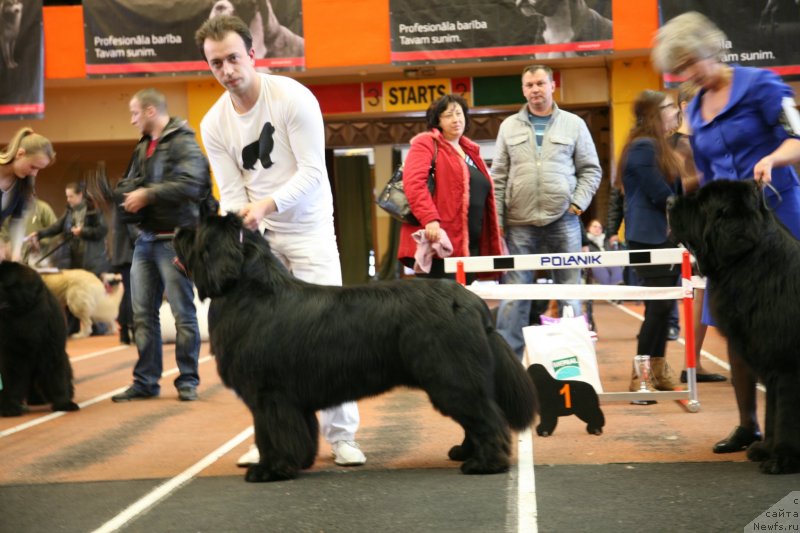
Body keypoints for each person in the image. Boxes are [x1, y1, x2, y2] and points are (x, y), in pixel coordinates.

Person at [194, 14, 366, 467]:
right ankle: (271, 434)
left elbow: (313, 172)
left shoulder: (293, 98)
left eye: (233, 58)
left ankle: (342, 434)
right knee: (262, 344)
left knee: (327, 334)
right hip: (258, 240)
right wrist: (242, 229)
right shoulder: (213, 124)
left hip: (308, 230)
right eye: (216, 64)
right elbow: (230, 194)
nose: (227, 71)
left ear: (253, 54)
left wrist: (266, 206)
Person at [653, 11, 800, 452]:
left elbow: (798, 138)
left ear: (710, 49)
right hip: (728, 239)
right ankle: (748, 425)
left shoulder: (763, 85)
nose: (687, 75)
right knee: (736, 325)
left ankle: (787, 432)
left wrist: (773, 159)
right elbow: (704, 171)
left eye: (690, 63)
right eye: (679, 69)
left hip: (778, 218)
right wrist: (683, 193)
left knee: (785, 330)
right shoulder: (695, 108)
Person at [492, 64, 602, 361]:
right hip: (518, 224)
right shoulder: (508, 127)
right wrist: (498, 221)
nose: (535, 90)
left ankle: (574, 359)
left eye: (540, 83)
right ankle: (509, 364)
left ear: (553, 86)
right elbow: (499, 176)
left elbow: (591, 169)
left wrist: (577, 204)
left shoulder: (574, 124)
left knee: (570, 291)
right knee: (514, 296)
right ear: (523, 89)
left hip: (564, 220)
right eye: (529, 85)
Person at [110, 88, 213, 404]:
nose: (132, 120)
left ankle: (188, 380)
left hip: (175, 240)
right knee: (142, 315)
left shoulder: (182, 141)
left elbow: (194, 184)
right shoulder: (144, 145)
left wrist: (147, 194)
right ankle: (146, 381)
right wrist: (122, 193)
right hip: (145, 239)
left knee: (183, 313)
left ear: (151, 111)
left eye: (135, 113)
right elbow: (129, 183)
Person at [617, 90, 684, 398]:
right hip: (649, 237)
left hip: (665, 238)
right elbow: (661, 194)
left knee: (664, 306)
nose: (675, 110)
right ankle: (640, 376)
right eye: (669, 107)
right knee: (656, 309)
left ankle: (657, 369)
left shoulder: (660, 146)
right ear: (654, 114)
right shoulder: (644, 147)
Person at [397, 94, 503, 280]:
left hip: (471, 244)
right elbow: (414, 183)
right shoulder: (426, 143)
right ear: (437, 120)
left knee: (464, 302)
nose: (456, 119)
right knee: (440, 305)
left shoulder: (470, 151)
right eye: (448, 115)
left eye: (459, 114)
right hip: (440, 241)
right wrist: (430, 219)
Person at [670, 81, 726, 383]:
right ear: (684, 106)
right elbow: (686, 185)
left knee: (706, 294)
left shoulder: (707, 138)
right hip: (695, 227)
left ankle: (694, 363)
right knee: (700, 294)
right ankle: (691, 363)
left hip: (712, 224)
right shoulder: (678, 143)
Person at [30, 182, 111, 276]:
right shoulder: (70, 211)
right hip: (75, 260)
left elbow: (102, 230)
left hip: (92, 263)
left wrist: (82, 231)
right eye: (67, 196)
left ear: (80, 195)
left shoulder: (93, 210)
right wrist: (39, 234)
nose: (68, 200)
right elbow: (57, 227)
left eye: (71, 196)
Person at [0, 127, 56, 262]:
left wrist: (15, 253)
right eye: (33, 167)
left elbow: (17, 220)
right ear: (20, 154)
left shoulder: (23, 184)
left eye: (39, 170)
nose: (34, 173)